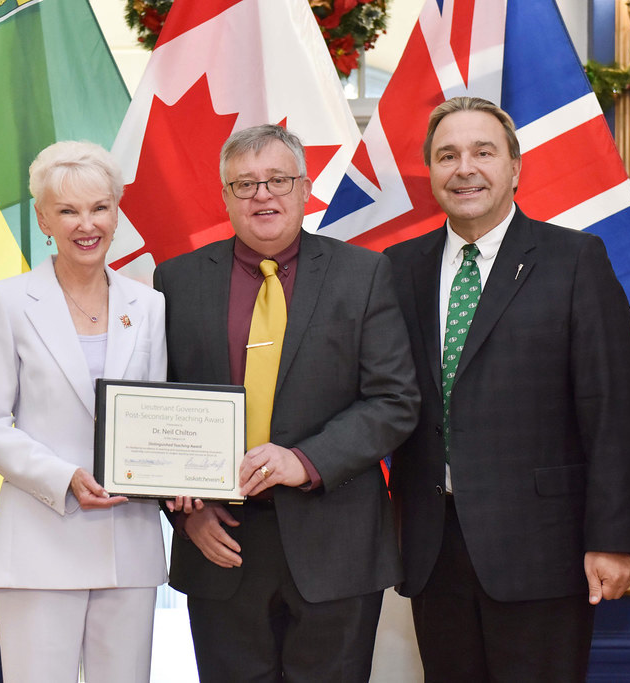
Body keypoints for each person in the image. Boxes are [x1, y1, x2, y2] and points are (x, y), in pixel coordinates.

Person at [383, 96, 630, 682]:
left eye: (483, 152)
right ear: (431, 173)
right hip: (432, 548)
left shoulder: (574, 259)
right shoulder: (398, 268)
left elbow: (610, 411)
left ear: (516, 167)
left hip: (544, 551)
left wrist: (612, 539)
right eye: (447, 155)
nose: (464, 168)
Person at [153, 124, 420, 683]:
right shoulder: (176, 281)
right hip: (219, 544)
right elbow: (159, 409)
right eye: (245, 184)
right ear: (224, 197)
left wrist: (305, 461)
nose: (263, 195)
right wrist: (187, 511)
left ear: (305, 190)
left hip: (336, 543)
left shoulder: (365, 274)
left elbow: (394, 400)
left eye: (278, 180)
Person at [0, 141, 167, 682]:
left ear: (117, 212)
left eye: (100, 207)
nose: (87, 224)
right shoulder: (7, 301)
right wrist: (66, 478)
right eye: (68, 210)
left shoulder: (150, 305)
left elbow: (157, 415)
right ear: (43, 219)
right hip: (40, 541)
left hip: (128, 543)